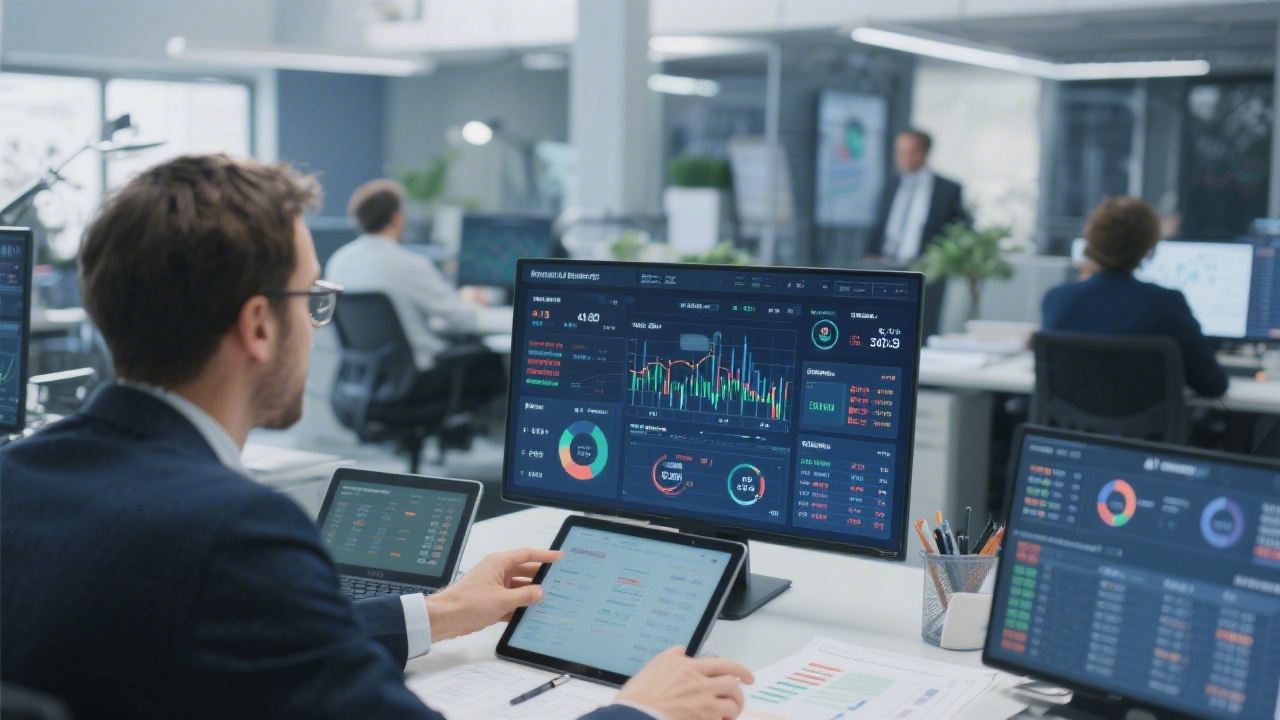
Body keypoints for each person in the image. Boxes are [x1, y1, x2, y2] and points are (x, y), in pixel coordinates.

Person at [0, 154, 754, 720]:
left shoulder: (19, 477)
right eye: (312, 298)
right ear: (259, 325)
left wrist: (444, 611)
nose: (316, 322)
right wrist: (644, 709)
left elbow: (247, 635)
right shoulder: (234, 534)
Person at [326, 179, 505, 406]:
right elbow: (461, 320)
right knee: (493, 365)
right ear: (396, 218)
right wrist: (473, 302)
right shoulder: (408, 264)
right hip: (417, 382)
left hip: (367, 380)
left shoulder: (338, 261)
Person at [1042, 196, 1228, 398]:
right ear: (1149, 245)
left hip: (1070, 428)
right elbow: (1213, 385)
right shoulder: (1167, 304)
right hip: (1146, 429)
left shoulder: (1057, 299)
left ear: (1092, 240)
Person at [868, 129, 968, 263]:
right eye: (900, 152)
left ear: (925, 152)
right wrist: (870, 254)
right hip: (886, 263)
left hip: (927, 266)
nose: (904, 157)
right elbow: (880, 223)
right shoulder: (890, 185)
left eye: (912, 151)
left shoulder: (947, 189)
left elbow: (958, 229)